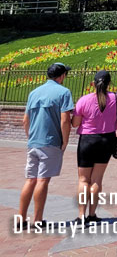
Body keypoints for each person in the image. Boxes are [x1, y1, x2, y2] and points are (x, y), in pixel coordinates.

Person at [19, 62, 73, 227]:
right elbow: (65, 120)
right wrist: (65, 141)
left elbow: (25, 120)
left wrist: (31, 137)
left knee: (30, 180)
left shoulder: (34, 93)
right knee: (43, 181)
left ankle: (21, 219)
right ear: (62, 75)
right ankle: (37, 220)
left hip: (34, 141)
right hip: (50, 141)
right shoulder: (63, 92)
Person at [73, 70, 117, 223]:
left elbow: (75, 123)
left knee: (83, 179)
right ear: (109, 83)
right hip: (106, 140)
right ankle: (92, 214)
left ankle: (81, 216)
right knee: (97, 180)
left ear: (93, 83)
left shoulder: (84, 100)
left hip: (87, 140)